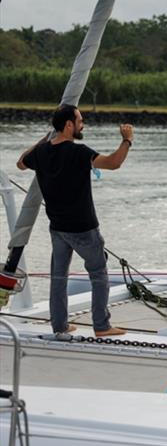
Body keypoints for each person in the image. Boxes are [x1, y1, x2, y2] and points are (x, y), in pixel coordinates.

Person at [17, 104, 133, 336]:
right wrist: (127, 140)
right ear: (69, 125)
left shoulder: (41, 153)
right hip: (83, 228)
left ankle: (59, 325)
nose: (83, 124)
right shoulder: (78, 152)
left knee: (58, 277)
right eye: (80, 120)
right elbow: (113, 163)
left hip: (58, 228)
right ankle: (102, 326)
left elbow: (21, 162)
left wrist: (46, 139)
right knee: (99, 274)